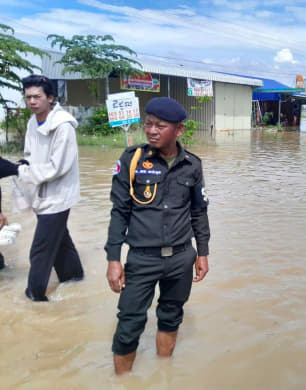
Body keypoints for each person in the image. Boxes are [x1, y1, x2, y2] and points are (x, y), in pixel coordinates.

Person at [105, 97, 210, 375]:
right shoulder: (132, 160)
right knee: (129, 322)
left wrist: (203, 253)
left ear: (178, 130)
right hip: (142, 259)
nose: (151, 130)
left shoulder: (192, 165)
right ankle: (122, 382)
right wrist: (113, 259)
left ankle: (165, 375)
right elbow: (119, 213)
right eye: (148, 124)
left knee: (171, 317)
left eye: (160, 126)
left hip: (180, 259)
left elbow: (199, 213)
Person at [17, 74, 84, 302]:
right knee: (61, 241)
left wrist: (20, 171)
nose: (32, 102)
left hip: (58, 198)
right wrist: (21, 167)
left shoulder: (63, 127)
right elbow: (29, 155)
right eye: (28, 97)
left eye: (37, 96)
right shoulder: (32, 122)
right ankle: (74, 279)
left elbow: (58, 167)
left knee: (40, 251)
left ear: (50, 98)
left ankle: (34, 298)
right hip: (39, 194)